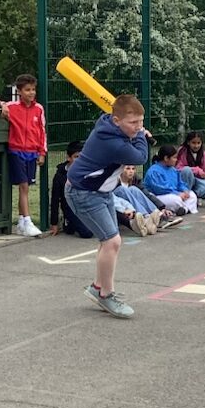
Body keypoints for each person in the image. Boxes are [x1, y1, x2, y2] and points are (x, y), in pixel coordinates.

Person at [65, 94, 148, 319]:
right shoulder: (112, 142)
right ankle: (106, 295)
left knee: (109, 241)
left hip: (101, 191)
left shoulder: (111, 127)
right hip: (83, 193)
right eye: (133, 122)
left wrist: (135, 132)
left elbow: (132, 142)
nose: (138, 126)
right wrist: (141, 136)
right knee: (112, 241)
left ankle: (98, 287)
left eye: (141, 122)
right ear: (116, 121)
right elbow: (140, 157)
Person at [0, 74, 46, 237]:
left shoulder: (39, 109)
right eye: (27, 90)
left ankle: (21, 223)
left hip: (32, 152)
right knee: (23, 186)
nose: (31, 93)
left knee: (25, 187)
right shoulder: (12, 107)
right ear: (19, 91)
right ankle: (28, 221)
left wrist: (41, 152)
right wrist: (2, 105)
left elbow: (42, 132)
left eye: (33, 89)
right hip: (16, 150)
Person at [117, 165, 184, 230]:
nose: (131, 171)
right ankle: (147, 218)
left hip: (131, 207)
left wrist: (162, 208)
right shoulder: (115, 180)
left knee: (133, 189)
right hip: (119, 207)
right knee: (122, 190)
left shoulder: (135, 180)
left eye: (133, 169)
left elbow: (147, 194)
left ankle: (158, 216)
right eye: (128, 168)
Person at [49, 141, 93, 238]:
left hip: (87, 206)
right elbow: (55, 199)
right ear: (69, 158)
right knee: (87, 233)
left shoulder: (88, 171)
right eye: (76, 157)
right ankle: (68, 222)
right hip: (71, 207)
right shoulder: (60, 176)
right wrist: (54, 223)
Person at [143, 144, 198, 215]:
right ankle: (186, 208)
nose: (176, 160)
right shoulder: (154, 171)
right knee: (175, 200)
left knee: (192, 195)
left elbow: (180, 183)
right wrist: (178, 194)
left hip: (174, 194)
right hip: (158, 196)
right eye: (174, 157)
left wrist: (185, 190)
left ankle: (184, 209)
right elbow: (160, 190)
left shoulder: (173, 170)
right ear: (166, 158)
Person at [176, 131, 205, 202]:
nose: (196, 146)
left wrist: (200, 173)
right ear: (188, 142)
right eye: (193, 143)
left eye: (198, 143)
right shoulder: (182, 152)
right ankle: (185, 195)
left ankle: (193, 196)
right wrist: (196, 170)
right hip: (185, 179)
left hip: (199, 180)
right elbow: (178, 168)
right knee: (186, 170)